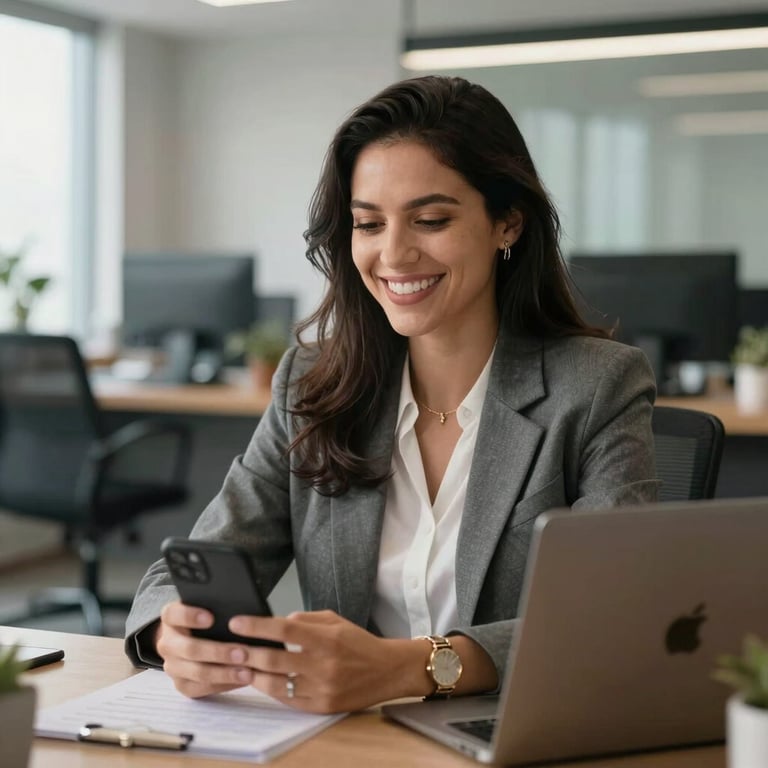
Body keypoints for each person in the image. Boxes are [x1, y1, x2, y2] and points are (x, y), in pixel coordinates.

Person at [125, 75, 659, 714]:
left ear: (507, 223)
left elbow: (614, 616)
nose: (394, 254)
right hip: (351, 740)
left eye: (430, 220)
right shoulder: (312, 383)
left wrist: (410, 668)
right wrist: (174, 633)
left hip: (516, 730)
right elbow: (181, 573)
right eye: (368, 224)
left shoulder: (598, 386)